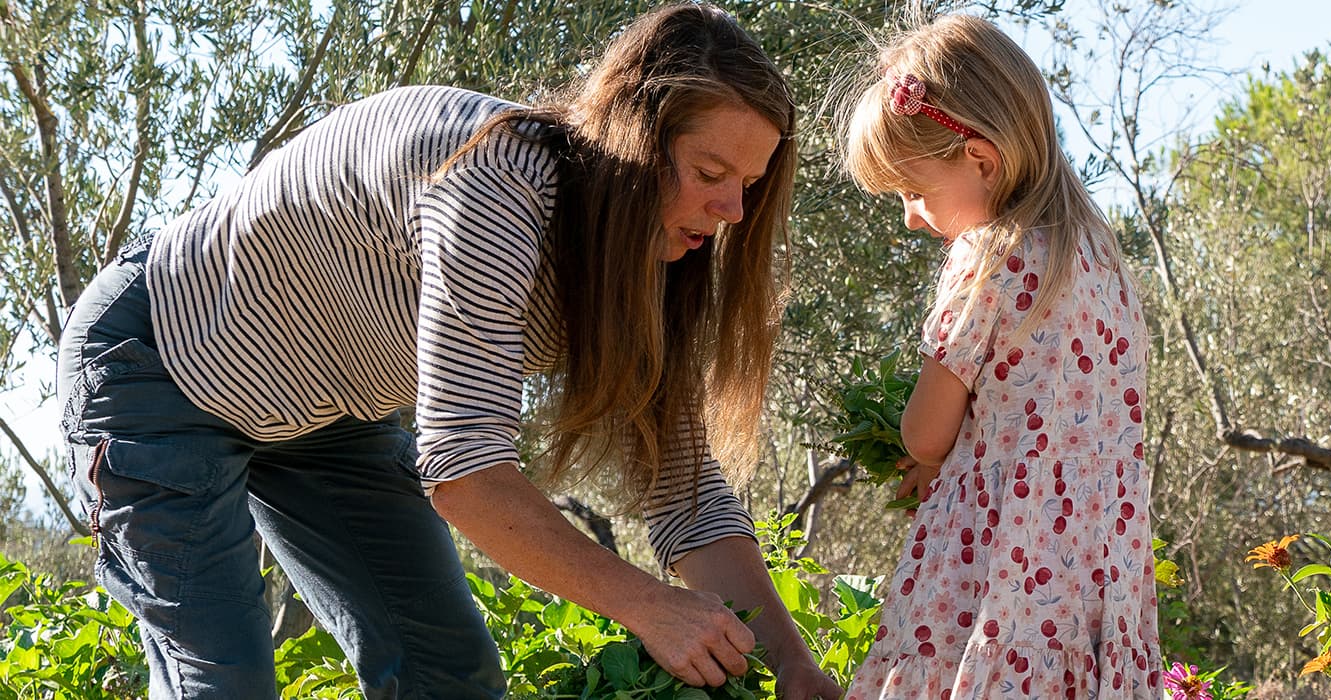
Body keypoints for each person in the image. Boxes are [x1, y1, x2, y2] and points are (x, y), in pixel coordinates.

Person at [55, 4, 842, 699]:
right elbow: (466, 473)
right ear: (635, 143)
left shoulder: (649, 261)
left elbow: (685, 491)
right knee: (222, 681)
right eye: (711, 173)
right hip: (161, 364)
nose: (733, 210)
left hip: (325, 417)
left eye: (748, 184)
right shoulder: (499, 187)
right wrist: (648, 605)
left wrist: (792, 664)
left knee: (447, 672)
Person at [837, 14, 1162, 699]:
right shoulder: (1101, 259)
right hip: (1094, 579)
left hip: (998, 577)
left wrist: (923, 454)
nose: (910, 217)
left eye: (914, 191)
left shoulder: (985, 258)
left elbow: (926, 432)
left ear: (980, 160)